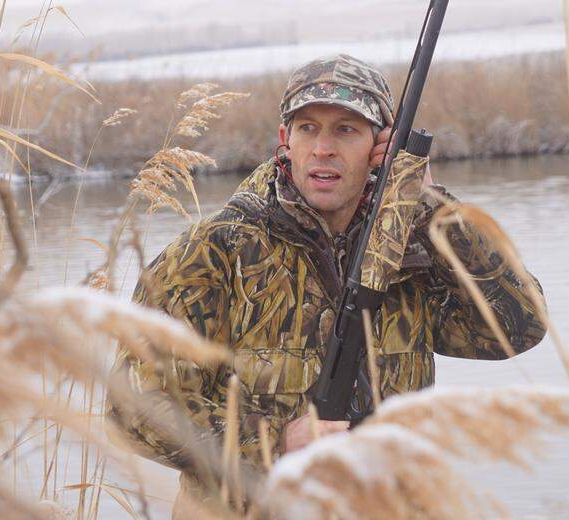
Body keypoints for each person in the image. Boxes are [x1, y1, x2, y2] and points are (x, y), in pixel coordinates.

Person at [107, 53, 546, 505]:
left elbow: (517, 329)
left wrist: (432, 205)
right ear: (286, 140)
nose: (323, 148)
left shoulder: (410, 251)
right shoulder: (212, 252)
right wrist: (275, 442)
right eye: (308, 128)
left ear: (382, 147)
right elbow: (133, 410)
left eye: (346, 130)